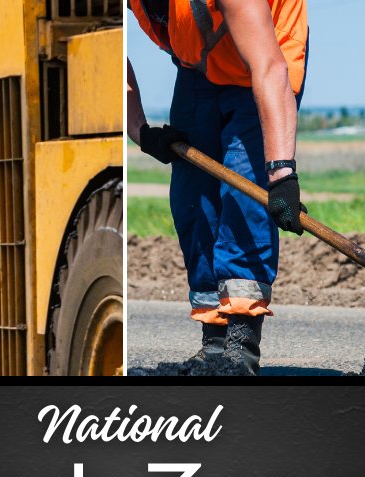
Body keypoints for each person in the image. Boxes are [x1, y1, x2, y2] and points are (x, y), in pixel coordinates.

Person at [127, 0, 309, 374]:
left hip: (263, 57)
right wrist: (141, 132)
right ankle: (214, 341)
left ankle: (241, 343)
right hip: (200, 68)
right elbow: (102, 57)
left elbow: (269, 66)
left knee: (245, 196)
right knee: (192, 200)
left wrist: (281, 175)